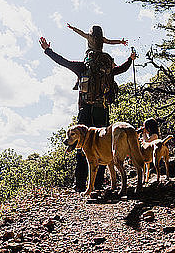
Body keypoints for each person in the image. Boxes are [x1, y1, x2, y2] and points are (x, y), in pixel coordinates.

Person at [39, 35, 136, 192]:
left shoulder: (82, 67)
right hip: (101, 110)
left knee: (81, 146)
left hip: (85, 111)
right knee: (103, 146)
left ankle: (80, 183)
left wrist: (48, 50)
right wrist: (130, 59)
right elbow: (122, 69)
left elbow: (63, 62)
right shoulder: (108, 70)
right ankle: (97, 184)